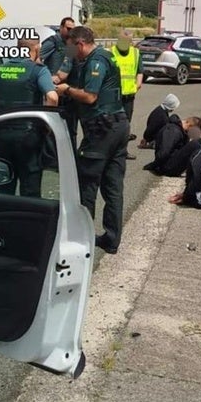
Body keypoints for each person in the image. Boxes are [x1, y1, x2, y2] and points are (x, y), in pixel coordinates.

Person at [55, 26, 129, 255]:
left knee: (87, 183)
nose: (71, 52)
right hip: (118, 125)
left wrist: (66, 89)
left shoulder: (96, 61)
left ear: (80, 44)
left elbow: (89, 96)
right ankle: (112, 239)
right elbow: (62, 71)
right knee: (113, 186)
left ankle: (82, 238)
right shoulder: (100, 55)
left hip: (101, 129)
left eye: (72, 48)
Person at [0, 37, 59, 197]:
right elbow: (53, 97)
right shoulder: (38, 70)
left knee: (5, 187)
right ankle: (28, 220)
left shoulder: (0, 70)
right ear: (35, 49)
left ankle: (5, 219)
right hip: (29, 137)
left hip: (2, 137)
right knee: (30, 190)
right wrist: (46, 124)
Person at [44, 17, 78, 150]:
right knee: (53, 127)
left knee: (71, 129)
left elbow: (67, 69)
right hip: (55, 90)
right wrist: (46, 79)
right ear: (61, 27)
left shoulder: (72, 46)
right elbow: (37, 58)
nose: (71, 32)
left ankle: (70, 156)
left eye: (73, 29)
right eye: (68, 29)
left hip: (69, 92)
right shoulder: (53, 41)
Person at [110, 31, 144, 159]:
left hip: (129, 96)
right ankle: (111, 151)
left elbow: (140, 71)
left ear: (131, 42)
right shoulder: (111, 52)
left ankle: (122, 151)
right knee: (112, 124)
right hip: (113, 96)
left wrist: (138, 84)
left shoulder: (135, 53)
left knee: (125, 125)